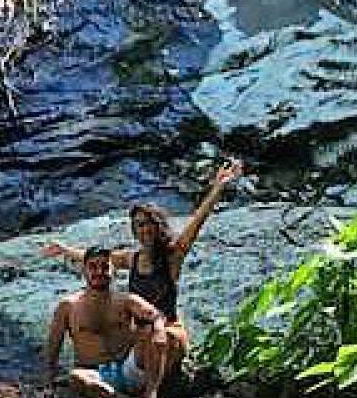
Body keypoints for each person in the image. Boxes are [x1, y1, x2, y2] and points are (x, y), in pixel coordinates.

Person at [43, 158, 244, 379]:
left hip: (166, 333)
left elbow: (196, 224)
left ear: (158, 227)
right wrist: (64, 249)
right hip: (140, 339)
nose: (145, 228)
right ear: (134, 230)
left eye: (149, 223)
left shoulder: (172, 257)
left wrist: (217, 188)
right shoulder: (132, 259)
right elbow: (97, 260)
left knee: (165, 337)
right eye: (139, 224)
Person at [42, 245, 173, 398]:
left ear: (113, 271)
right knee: (76, 377)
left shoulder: (126, 300)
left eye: (105, 266)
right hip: (96, 375)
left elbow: (156, 314)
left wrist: (159, 329)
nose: (99, 272)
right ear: (84, 271)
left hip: (129, 368)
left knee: (156, 333)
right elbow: (53, 347)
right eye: (93, 267)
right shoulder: (68, 306)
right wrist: (48, 384)